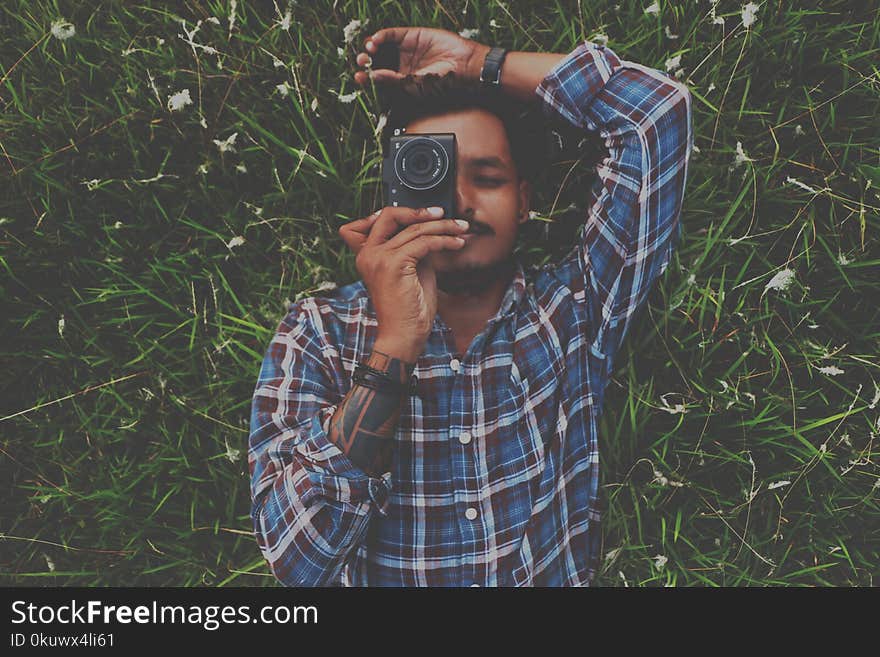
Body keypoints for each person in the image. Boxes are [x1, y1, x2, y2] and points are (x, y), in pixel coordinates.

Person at [248, 26, 693, 586]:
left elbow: (656, 114)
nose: (457, 202)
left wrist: (479, 62)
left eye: (487, 178)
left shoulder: (574, 309)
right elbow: (295, 563)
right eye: (427, 176)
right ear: (393, 193)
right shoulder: (318, 332)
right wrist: (395, 347)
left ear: (525, 200)